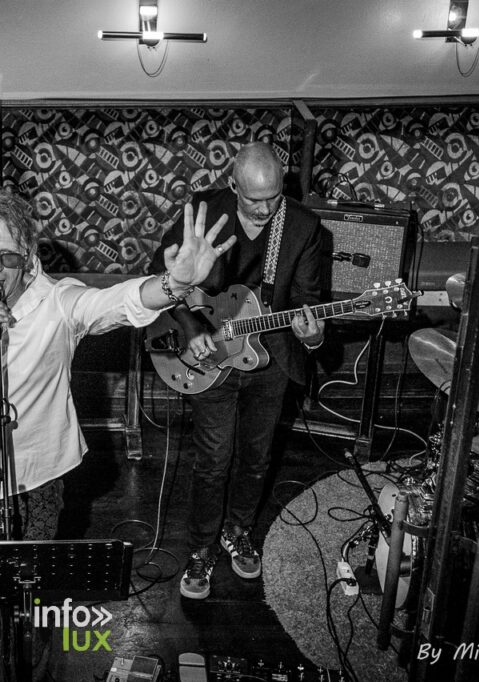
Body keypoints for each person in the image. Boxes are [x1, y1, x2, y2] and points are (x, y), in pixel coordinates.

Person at [0, 188, 234, 541]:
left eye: (8, 257)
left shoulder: (58, 301)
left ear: (28, 258)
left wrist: (174, 284)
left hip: (34, 479)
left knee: (30, 575)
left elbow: (118, 302)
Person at [148, 141, 328, 600]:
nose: (266, 209)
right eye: (254, 199)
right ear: (233, 185)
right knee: (212, 460)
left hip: (270, 359)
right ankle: (201, 548)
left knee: (256, 457)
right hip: (209, 355)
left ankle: (238, 531)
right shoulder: (204, 212)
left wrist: (312, 336)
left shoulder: (304, 227)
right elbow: (161, 274)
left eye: (274, 197)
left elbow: (307, 302)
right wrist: (189, 326)